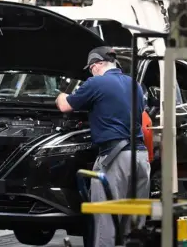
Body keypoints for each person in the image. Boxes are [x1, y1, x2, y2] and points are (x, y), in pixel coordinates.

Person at [55, 47, 151, 247]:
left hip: (115, 159)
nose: (91, 72)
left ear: (97, 65)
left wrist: (60, 94)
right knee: (134, 225)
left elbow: (65, 106)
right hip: (141, 157)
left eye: (91, 69)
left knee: (106, 222)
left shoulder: (97, 82)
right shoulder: (134, 84)